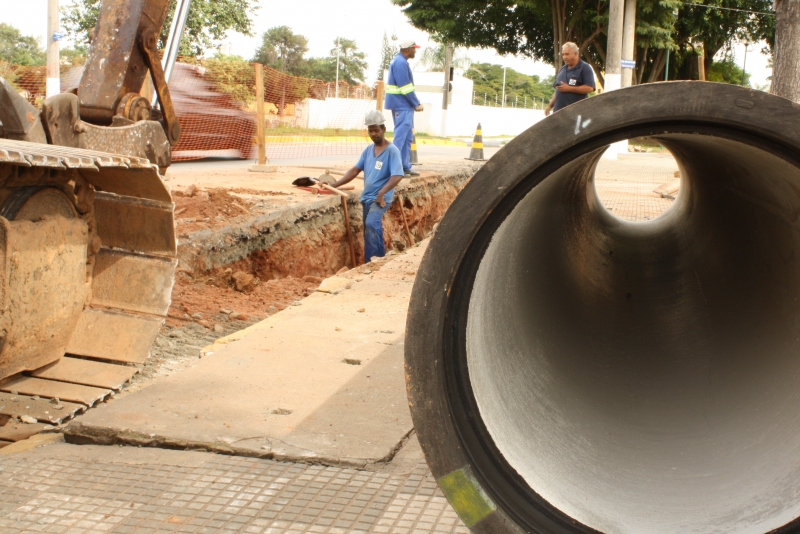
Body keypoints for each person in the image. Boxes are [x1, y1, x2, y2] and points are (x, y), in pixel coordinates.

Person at [330, 110, 405, 263]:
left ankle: (370, 263)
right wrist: (335, 184)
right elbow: (355, 170)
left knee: (371, 223)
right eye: (370, 131)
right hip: (367, 198)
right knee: (370, 229)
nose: (373, 134)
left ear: (383, 129)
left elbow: (398, 175)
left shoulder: (392, 151)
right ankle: (378, 260)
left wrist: (382, 192)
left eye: (376, 130)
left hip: (380, 199)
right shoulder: (368, 150)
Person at [384, 39, 423, 177]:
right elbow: (405, 87)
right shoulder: (400, 63)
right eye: (414, 48)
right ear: (408, 49)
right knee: (400, 137)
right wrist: (416, 103)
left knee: (407, 137)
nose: (415, 50)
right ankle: (394, 169)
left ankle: (404, 166)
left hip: (403, 105)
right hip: (402, 105)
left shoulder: (400, 62)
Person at [545, 42, 596, 116]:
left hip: (575, 115)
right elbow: (558, 90)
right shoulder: (562, 69)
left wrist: (569, 88)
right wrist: (549, 106)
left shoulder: (585, 68)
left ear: (575, 54)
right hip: (558, 115)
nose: (564, 57)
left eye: (567, 54)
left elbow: (590, 88)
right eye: (563, 54)